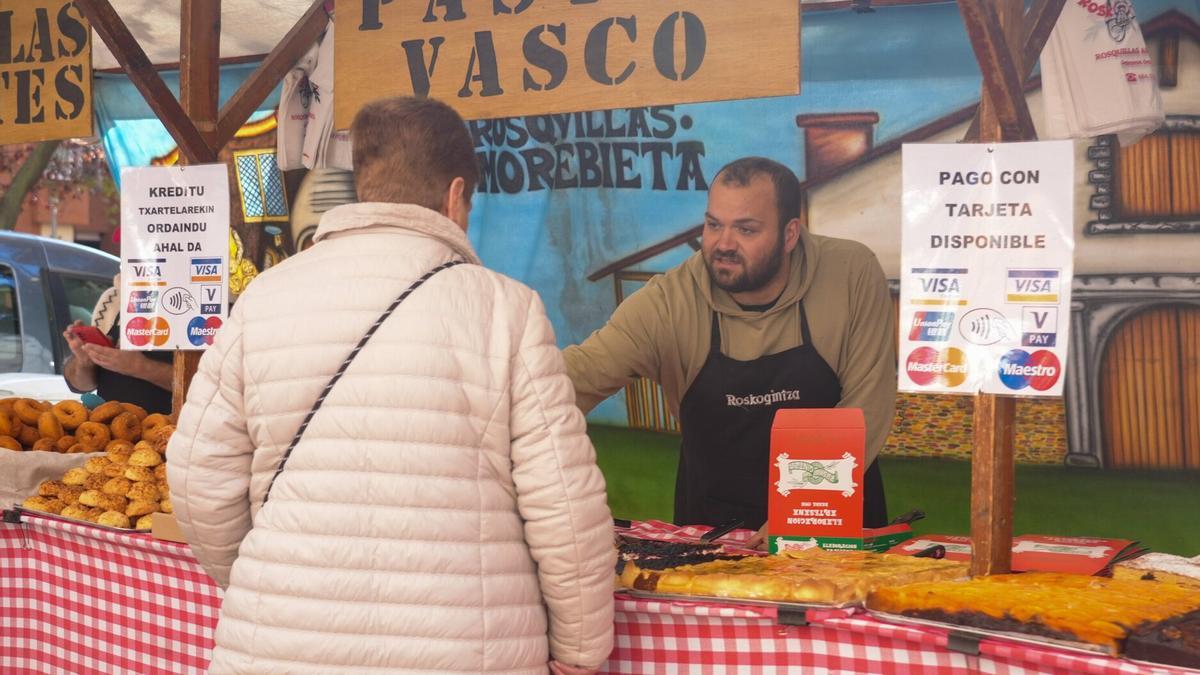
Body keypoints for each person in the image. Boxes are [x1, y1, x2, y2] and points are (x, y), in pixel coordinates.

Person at [167, 97, 615, 674]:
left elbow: (197, 473)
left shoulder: (266, 298)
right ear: (456, 195)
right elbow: (565, 508)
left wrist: (272, 576)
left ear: (366, 184)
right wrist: (579, 651)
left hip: (281, 651)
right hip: (462, 654)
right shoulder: (506, 311)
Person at [565, 157, 896, 541]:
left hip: (830, 523)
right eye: (713, 225)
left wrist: (804, 508)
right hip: (714, 532)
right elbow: (578, 377)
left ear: (790, 235)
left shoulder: (850, 273)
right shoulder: (669, 301)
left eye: (746, 229)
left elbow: (866, 405)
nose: (723, 244)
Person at [62, 274, 174, 414]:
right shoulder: (113, 300)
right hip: (108, 429)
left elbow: (206, 386)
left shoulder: (198, 298)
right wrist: (84, 361)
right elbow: (81, 385)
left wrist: (140, 367)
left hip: (170, 431)